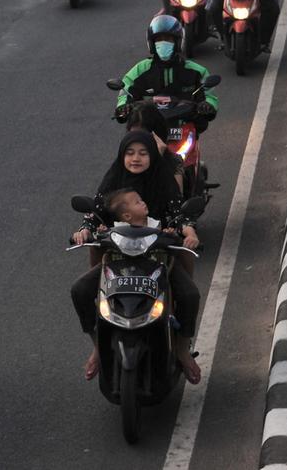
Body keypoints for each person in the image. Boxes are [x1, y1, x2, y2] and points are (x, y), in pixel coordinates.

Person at [69, 132, 203, 384]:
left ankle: (183, 350)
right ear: (122, 155)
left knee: (189, 295)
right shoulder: (112, 182)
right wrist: (84, 231)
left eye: (143, 153)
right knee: (79, 290)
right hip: (117, 261)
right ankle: (98, 346)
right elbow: (94, 215)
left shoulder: (165, 183)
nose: (136, 158)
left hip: (159, 259)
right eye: (130, 153)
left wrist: (188, 232)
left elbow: (181, 217)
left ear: (152, 156)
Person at [116, 15, 220, 130]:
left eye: (168, 39)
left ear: (178, 42)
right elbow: (126, 91)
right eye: (159, 39)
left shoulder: (197, 71)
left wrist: (207, 105)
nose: (163, 42)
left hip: (183, 126)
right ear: (152, 43)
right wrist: (123, 106)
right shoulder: (140, 70)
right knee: (130, 144)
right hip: (148, 128)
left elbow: (209, 95)